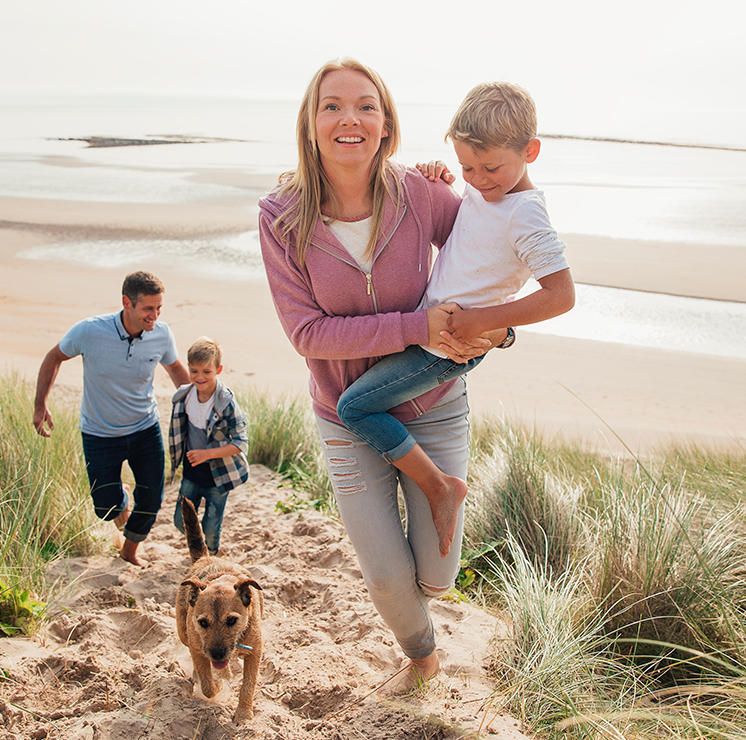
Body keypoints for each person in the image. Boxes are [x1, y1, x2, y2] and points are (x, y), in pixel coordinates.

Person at [258, 58, 505, 693]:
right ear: (311, 124)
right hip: (345, 412)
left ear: (386, 122)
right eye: (332, 105)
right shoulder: (282, 216)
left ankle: (438, 508)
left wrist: (504, 327)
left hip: (434, 401)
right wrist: (417, 327)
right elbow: (306, 333)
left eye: (366, 105)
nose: (350, 118)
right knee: (389, 579)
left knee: (437, 576)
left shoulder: (422, 194)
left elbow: (494, 252)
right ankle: (422, 658)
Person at [336, 81, 575, 559]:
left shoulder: (526, 214)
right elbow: (467, 240)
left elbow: (561, 295)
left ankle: (440, 487)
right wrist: (438, 174)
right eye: (467, 165)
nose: (479, 179)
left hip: (446, 349)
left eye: (491, 168)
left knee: (354, 408)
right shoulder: (485, 190)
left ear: (531, 151)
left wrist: (486, 320)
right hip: (432, 335)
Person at [33, 271, 190, 567]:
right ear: (126, 303)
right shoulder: (90, 331)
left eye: (159, 308)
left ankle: (129, 551)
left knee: (152, 500)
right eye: (148, 309)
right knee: (106, 508)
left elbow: (176, 370)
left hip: (145, 429)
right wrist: (40, 404)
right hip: (99, 433)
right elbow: (53, 358)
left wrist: (198, 406)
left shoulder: (161, 333)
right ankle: (121, 496)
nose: (154, 316)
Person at [169, 336, 249, 555]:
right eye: (194, 371)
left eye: (206, 371)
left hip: (218, 476)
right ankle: (199, 547)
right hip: (191, 473)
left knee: (211, 528)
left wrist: (207, 454)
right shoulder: (183, 397)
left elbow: (240, 442)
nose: (199, 377)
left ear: (218, 369)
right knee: (181, 521)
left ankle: (209, 559)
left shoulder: (226, 402)